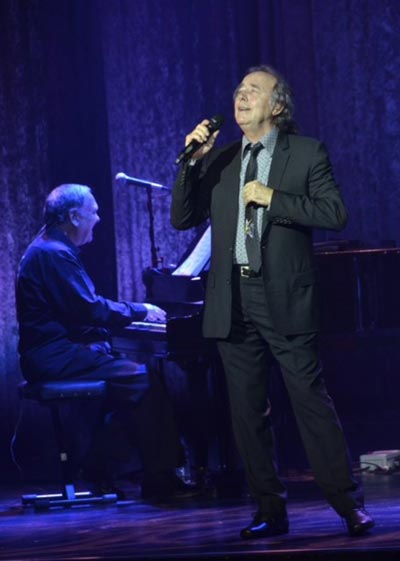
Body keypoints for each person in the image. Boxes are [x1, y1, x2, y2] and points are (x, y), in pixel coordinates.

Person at [171, 65, 374, 538]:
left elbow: (334, 212)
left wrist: (272, 197)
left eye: (253, 91)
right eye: (238, 90)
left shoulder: (305, 153)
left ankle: (347, 504)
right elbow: (183, 218)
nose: (241, 97)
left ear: (277, 106)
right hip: (232, 297)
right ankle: (268, 509)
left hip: (282, 294)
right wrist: (190, 162)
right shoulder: (220, 160)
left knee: (309, 401)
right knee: (246, 410)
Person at [16, 183, 192, 501]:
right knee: (142, 380)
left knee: (120, 385)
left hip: (54, 353)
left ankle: (107, 472)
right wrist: (141, 310)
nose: (98, 218)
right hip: (54, 356)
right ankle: (160, 479)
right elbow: (90, 308)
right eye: (93, 212)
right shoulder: (54, 254)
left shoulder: (50, 247)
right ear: (73, 216)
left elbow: (80, 310)